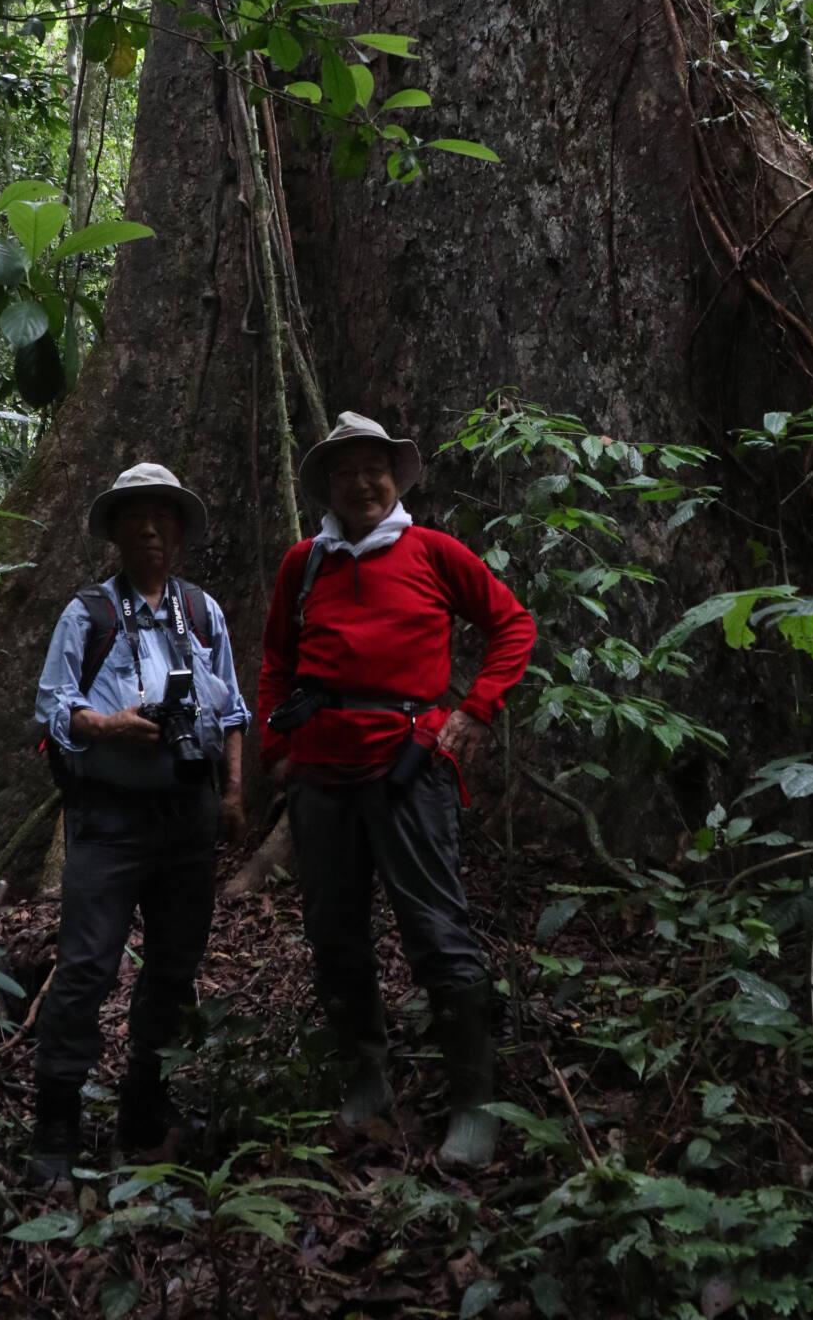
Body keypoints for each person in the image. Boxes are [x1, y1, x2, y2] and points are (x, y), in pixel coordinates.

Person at [258, 411, 535, 1168]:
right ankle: (366, 1077)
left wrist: (477, 710)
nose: (361, 483)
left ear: (396, 476)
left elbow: (511, 624)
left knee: (438, 934)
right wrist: (278, 746)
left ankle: (473, 1107)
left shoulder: (433, 552)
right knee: (334, 933)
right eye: (345, 471)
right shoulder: (303, 563)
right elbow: (277, 660)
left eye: (373, 468)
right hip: (320, 778)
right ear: (329, 485)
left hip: (409, 768)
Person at [30, 462, 249, 1182]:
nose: (150, 529)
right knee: (88, 966)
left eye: (163, 517)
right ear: (115, 535)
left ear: (180, 531)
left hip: (187, 818)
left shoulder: (202, 612)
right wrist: (106, 726)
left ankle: (145, 1105)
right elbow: (52, 709)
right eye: (135, 518)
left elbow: (234, 713)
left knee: (173, 970)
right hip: (108, 820)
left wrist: (232, 795)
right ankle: (56, 1125)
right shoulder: (87, 614)